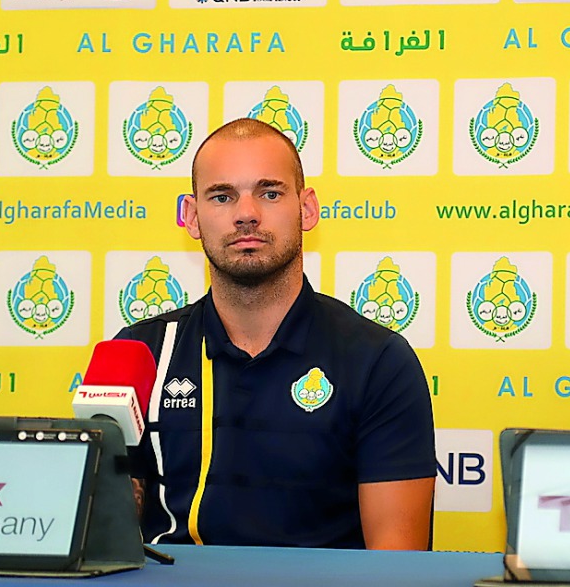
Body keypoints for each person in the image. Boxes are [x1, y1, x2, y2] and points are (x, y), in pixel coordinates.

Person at [115, 118, 436, 550]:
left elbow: (396, 568)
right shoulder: (139, 353)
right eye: (222, 195)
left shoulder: (378, 361)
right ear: (191, 216)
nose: (246, 213)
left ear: (307, 209)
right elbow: (98, 534)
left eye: (269, 192)